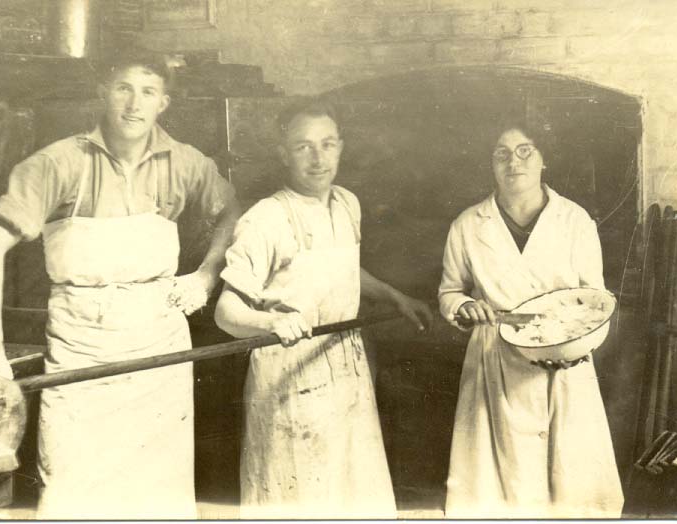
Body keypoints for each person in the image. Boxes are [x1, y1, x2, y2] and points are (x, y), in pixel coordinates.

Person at [0, 46, 240, 519]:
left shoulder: (185, 162)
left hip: (159, 352)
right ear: (102, 94)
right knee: (77, 490)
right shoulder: (57, 164)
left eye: (148, 91)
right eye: (123, 88)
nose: (134, 103)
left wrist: (206, 275)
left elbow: (232, 209)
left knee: (158, 493)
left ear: (163, 103)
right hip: (83, 351)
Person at [213, 99, 434, 518]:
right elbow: (226, 312)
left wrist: (394, 296)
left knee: (353, 490)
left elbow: (343, 269)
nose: (318, 159)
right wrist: (272, 321)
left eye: (327, 144)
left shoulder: (347, 203)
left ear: (341, 147)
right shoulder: (267, 219)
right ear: (283, 154)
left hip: (347, 369)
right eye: (303, 147)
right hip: (291, 375)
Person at [438, 122, 624, 518]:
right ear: (490, 164)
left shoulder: (574, 221)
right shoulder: (468, 225)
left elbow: (596, 299)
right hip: (495, 360)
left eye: (525, 150)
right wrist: (463, 307)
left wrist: (577, 347)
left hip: (565, 357)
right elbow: (449, 292)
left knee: (571, 477)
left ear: (544, 159)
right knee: (498, 483)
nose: (513, 161)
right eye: (501, 153)